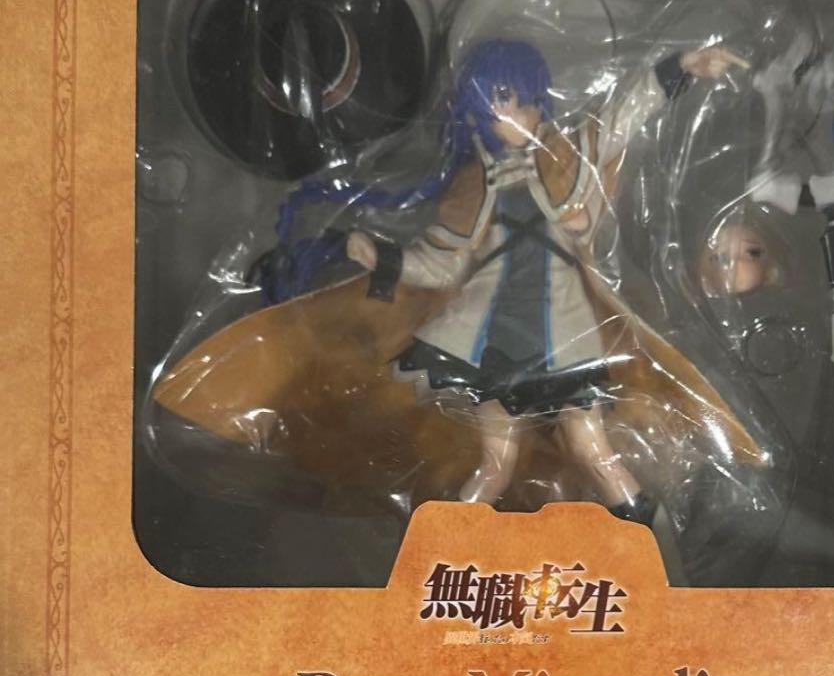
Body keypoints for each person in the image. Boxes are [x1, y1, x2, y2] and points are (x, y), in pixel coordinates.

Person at [153, 38, 767, 525]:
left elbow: (618, 122)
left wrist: (677, 70)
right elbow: (441, 265)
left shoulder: (562, 158)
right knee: (497, 461)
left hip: (567, 333)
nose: (520, 113)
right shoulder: (470, 188)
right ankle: (450, 540)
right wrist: (381, 258)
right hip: (496, 339)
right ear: (477, 111)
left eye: (527, 100)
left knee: (592, 448)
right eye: (504, 100)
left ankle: (640, 534)